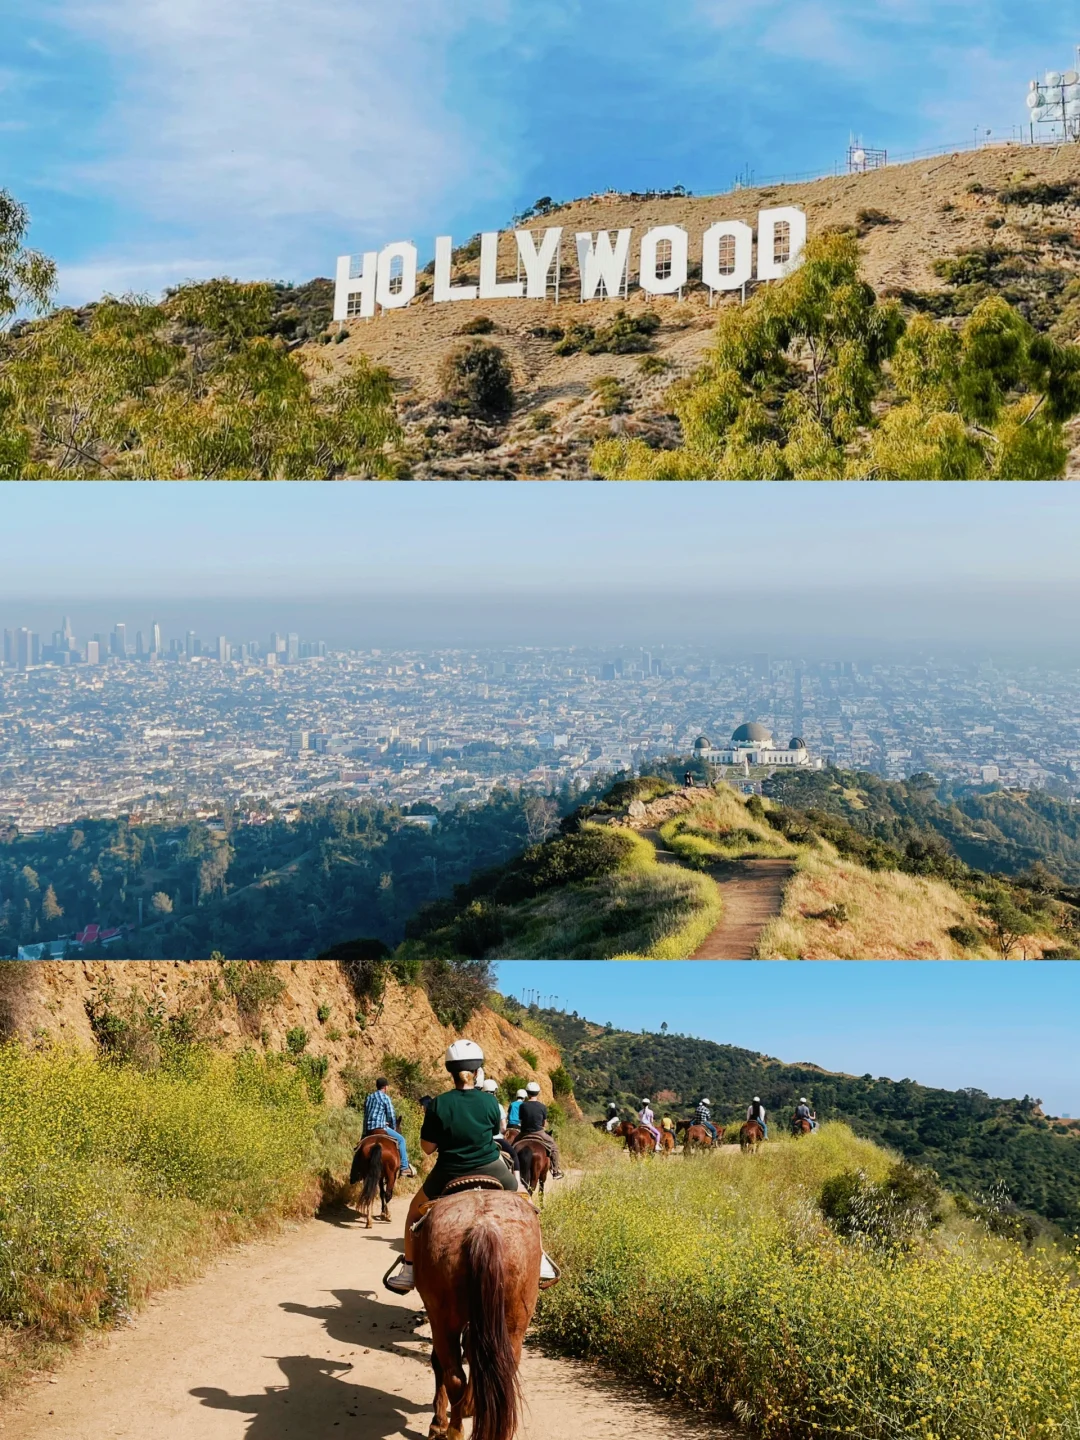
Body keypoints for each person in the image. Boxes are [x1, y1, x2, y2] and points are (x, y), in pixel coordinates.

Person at [384, 1040, 557, 1295]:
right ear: (477, 1072)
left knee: (413, 1212)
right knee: (526, 1203)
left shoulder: (439, 1104)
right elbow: (495, 1134)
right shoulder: (489, 1102)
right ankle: (540, 1260)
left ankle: (409, 1270)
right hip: (490, 1166)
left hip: (449, 1171)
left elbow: (428, 1148)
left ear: (450, 1072)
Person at [362, 1077, 415, 1178]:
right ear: (385, 1087)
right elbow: (391, 1115)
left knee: (359, 1148)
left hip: (369, 1129)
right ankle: (404, 1167)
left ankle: (357, 1173)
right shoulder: (385, 1098)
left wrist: (364, 1134)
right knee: (401, 1140)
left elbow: (365, 1116)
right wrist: (393, 1127)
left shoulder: (369, 1097)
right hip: (381, 1127)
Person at [516, 1080, 564, 1178]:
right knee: (554, 1148)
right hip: (539, 1132)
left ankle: (510, 1168)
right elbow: (544, 1123)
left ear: (527, 1092)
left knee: (512, 1147)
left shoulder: (522, 1105)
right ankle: (555, 1171)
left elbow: (521, 1120)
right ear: (538, 1093)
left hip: (524, 1133)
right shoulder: (542, 1106)